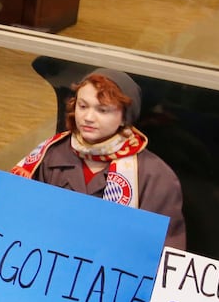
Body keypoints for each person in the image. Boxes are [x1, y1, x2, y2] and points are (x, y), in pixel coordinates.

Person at [12, 68, 187, 249]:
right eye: (83, 106)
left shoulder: (154, 175)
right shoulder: (48, 155)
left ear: (124, 117)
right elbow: (19, 216)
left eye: (102, 110)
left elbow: (165, 251)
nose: (88, 117)